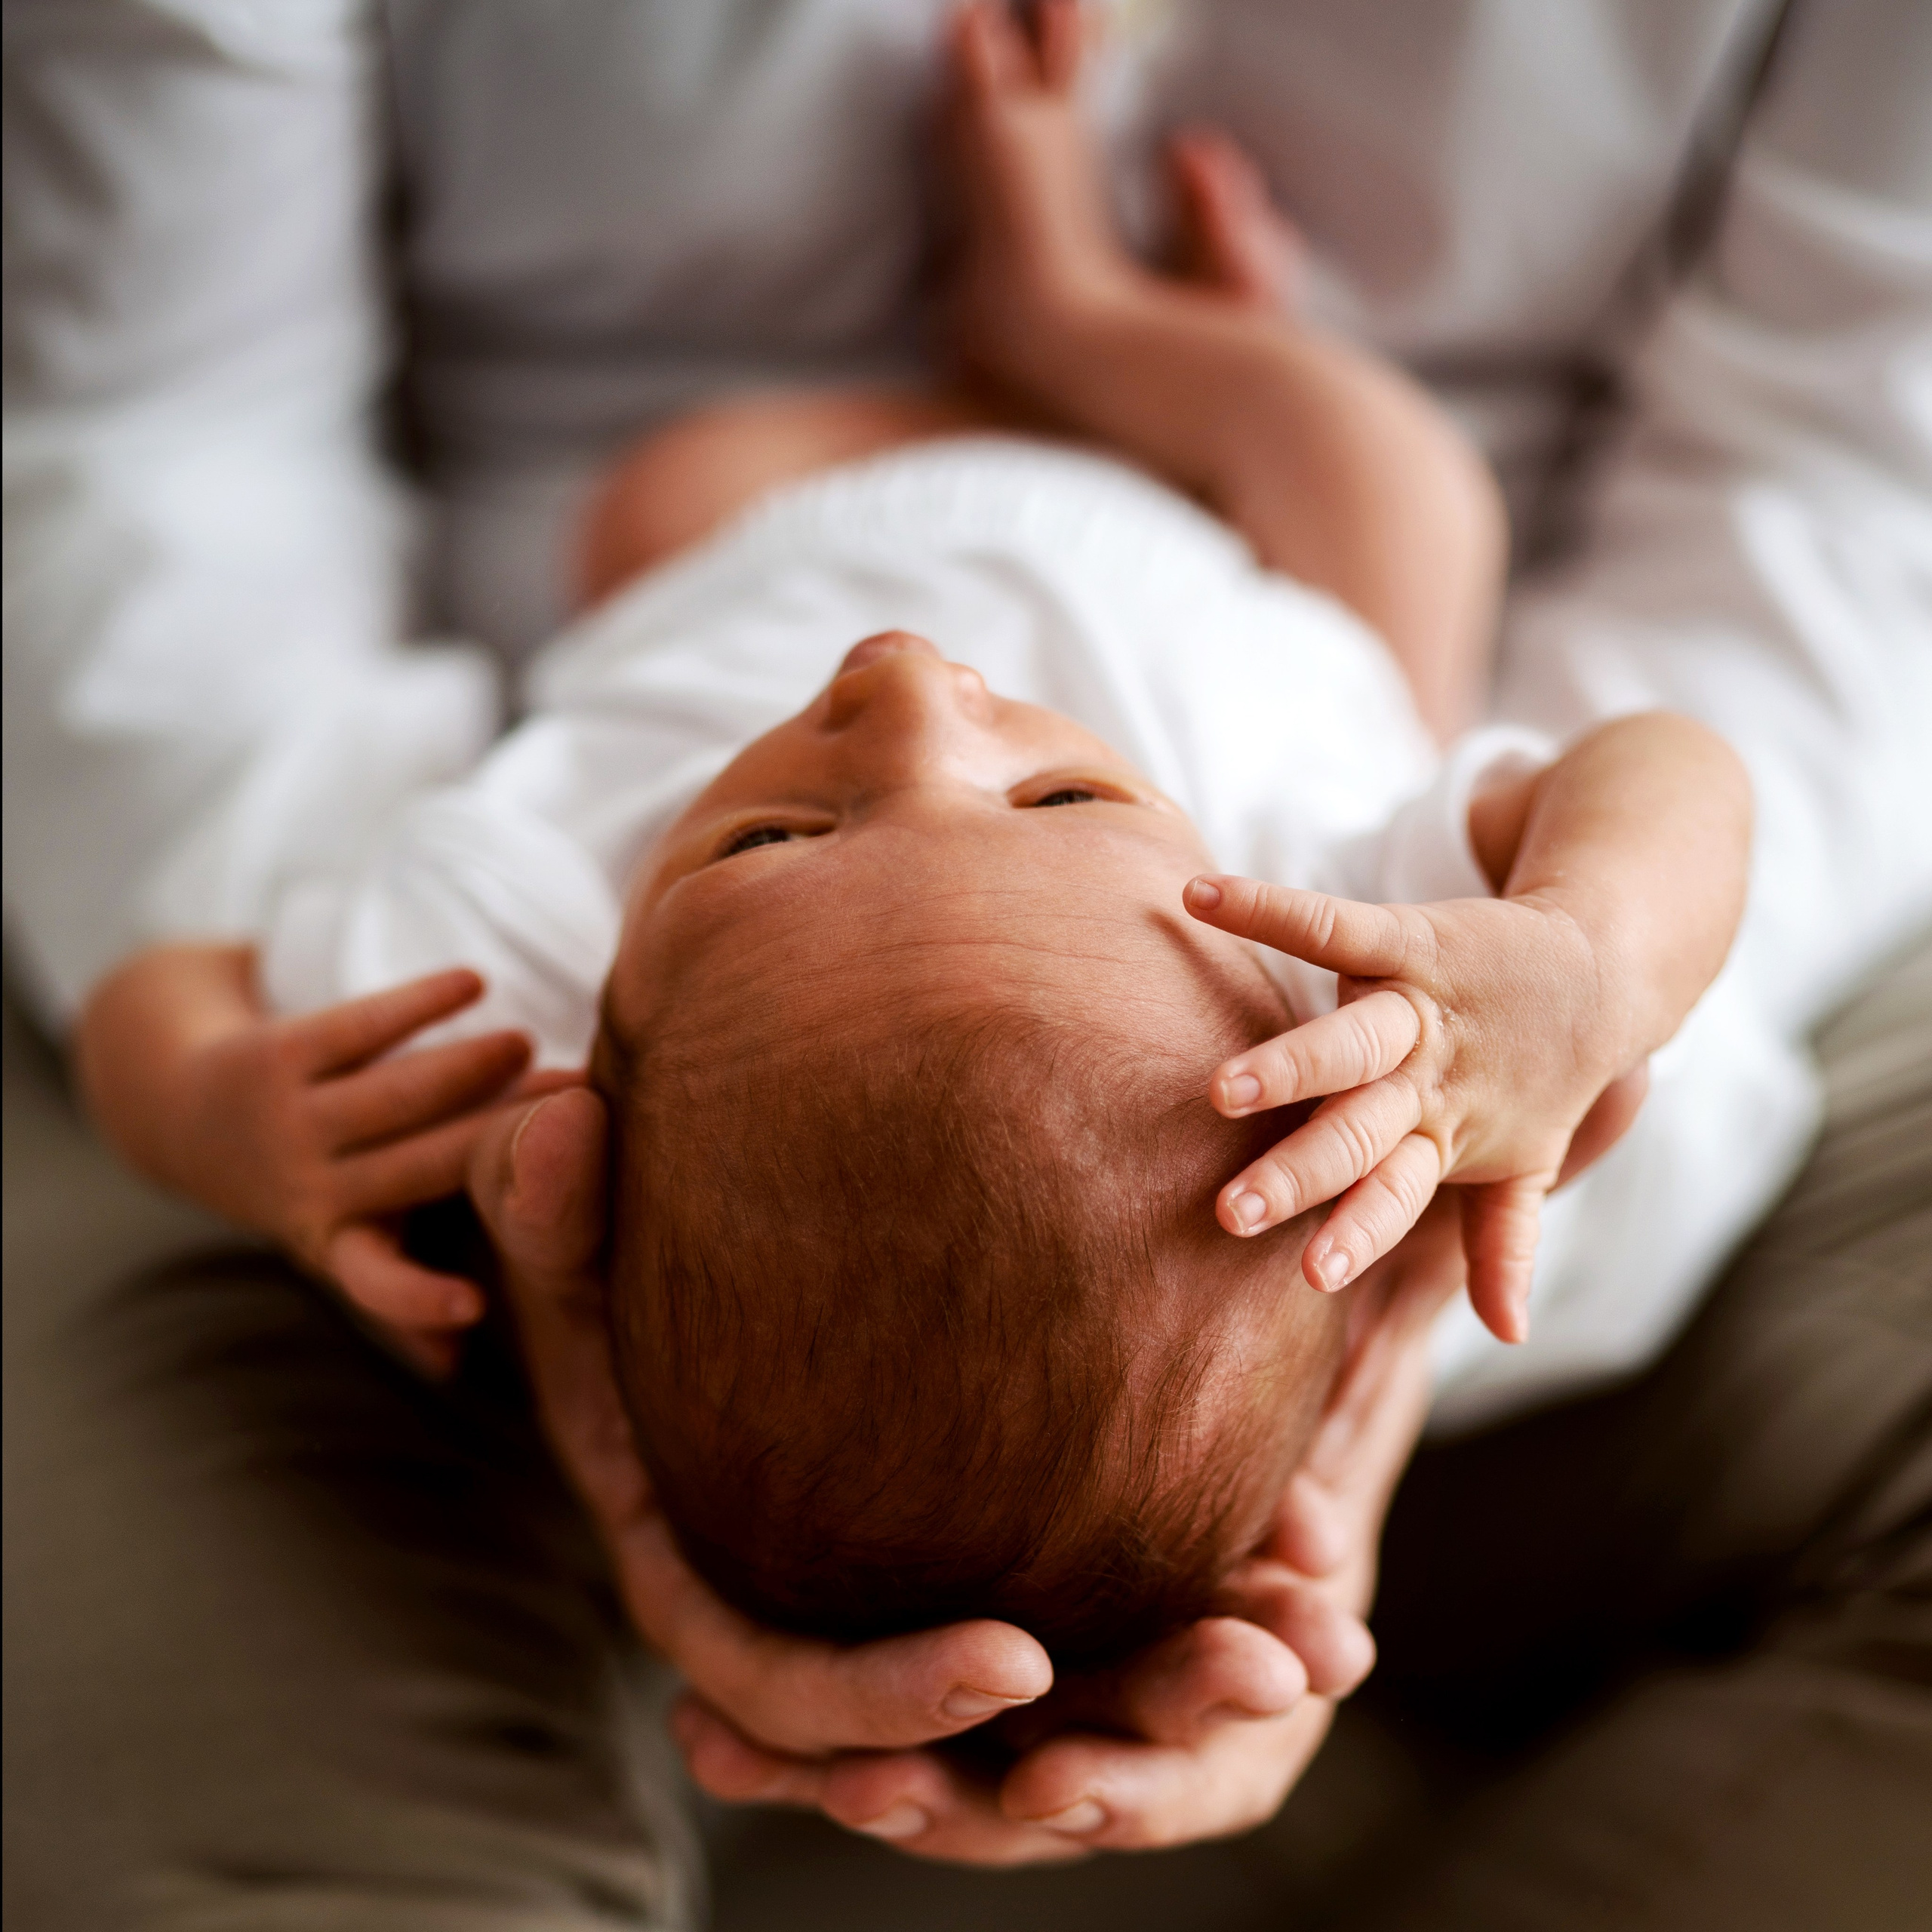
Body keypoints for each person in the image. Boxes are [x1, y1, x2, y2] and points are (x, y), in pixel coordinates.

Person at [5, 0, 1929, 1922]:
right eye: (1066, 805)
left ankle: (1055, 351)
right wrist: (1579, 957)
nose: (905, 690)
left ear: (606, 1071)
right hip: (1240, 581)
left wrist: (230, 1114)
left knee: (667, 495)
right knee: (1400, 491)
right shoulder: (1324, 944)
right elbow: (1667, 764)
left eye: (766, 843)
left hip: (761, 512)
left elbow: (166, 984)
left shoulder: (510, 973)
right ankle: (1079, 319)